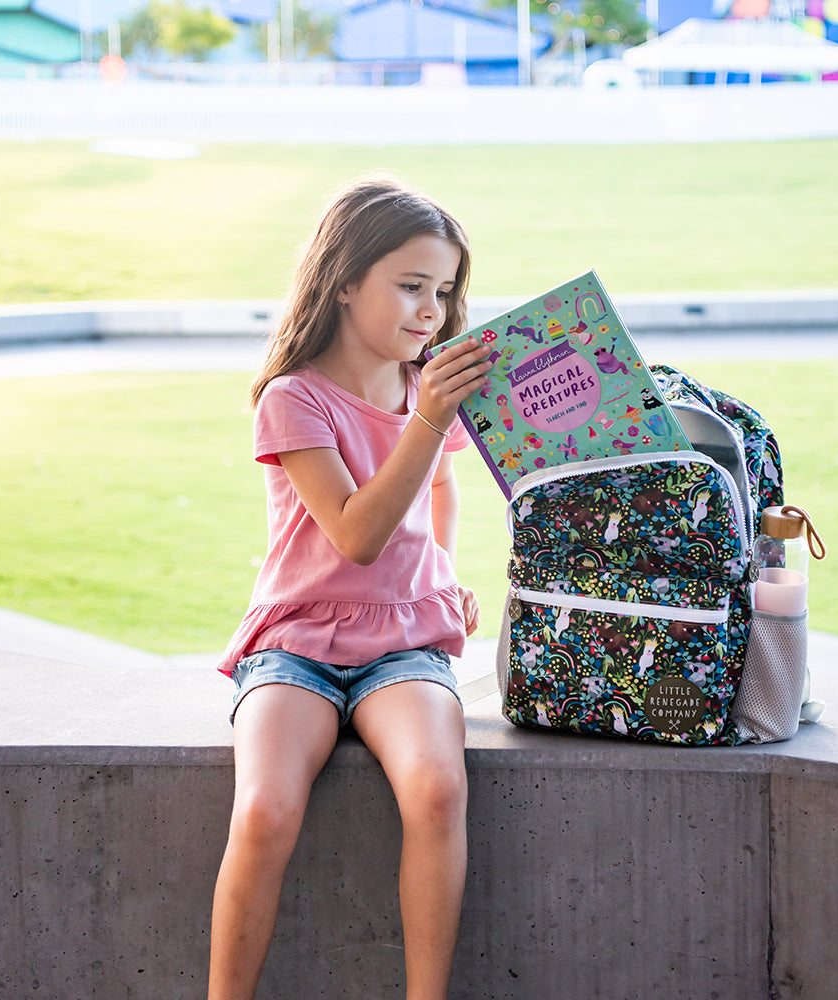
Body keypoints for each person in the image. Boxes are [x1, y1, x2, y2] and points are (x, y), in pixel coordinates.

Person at [208, 176, 492, 1000]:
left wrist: (440, 576)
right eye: (411, 286)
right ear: (343, 280)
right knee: (265, 809)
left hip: (405, 646)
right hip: (296, 643)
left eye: (444, 291)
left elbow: (440, 487)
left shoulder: (423, 388)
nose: (432, 311)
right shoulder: (294, 398)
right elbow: (356, 535)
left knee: (436, 789)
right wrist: (429, 420)